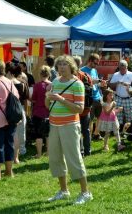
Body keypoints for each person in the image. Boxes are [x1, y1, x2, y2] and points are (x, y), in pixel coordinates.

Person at [46, 55, 92, 205]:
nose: (62, 67)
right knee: (56, 158)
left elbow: (79, 108)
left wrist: (60, 99)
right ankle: (64, 190)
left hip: (70, 125)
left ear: (71, 66)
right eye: (60, 64)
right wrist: (48, 96)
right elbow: (48, 105)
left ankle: (86, 193)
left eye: (65, 64)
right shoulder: (55, 81)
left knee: (74, 158)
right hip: (54, 125)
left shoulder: (77, 84)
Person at [6, 63, 30, 163]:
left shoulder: (5, 83)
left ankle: (10, 153)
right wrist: (27, 111)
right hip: (20, 108)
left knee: (9, 133)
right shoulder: (23, 83)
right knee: (20, 132)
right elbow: (26, 99)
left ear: (9, 72)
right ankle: (21, 151)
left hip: (7, 109)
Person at [80, 53, 107, 141]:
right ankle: (89, 138)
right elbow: (90, 81)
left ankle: (96, 134)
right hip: (89, 98)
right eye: (95, 63)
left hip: (98, 97)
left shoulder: (94, 70)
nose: (96, 65)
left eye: (97, 64)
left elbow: (95, 84)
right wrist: (99, 80)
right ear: (89, 61)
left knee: (100, 117)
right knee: (90, 120)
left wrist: (101, 84)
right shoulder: (82, 71)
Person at [73, 56, 94, 157]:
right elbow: (91, 90)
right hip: (86, 108)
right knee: (86, 130)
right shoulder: (86, 75)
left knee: (76, 131)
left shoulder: (72, 76)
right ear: (80, 64)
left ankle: (79, 151)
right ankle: (87, 151)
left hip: (75, 108)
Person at [109, 60, 132, 134]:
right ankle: (119, 132)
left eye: (124, 69)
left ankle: (130, 132)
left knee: (130, 116)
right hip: (118, 98)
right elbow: (110, 85)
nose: (122, 70)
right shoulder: (116, 74)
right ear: (119, 67)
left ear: (127, 67)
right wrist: (117, 83)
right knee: (117, 116)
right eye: (120, 69)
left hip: (128, 98)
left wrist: (128, 86)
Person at [31, 65, 52, 158]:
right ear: (49, 74)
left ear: (40, 74)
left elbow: (33, 99)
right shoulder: (52, 85)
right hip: (49, 112)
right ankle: (48, 153)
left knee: (38, 134)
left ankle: (39, 154)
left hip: (38, 112)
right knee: (48, 134)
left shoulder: (37, 85)